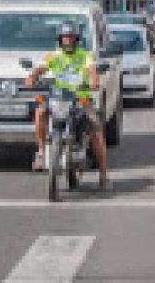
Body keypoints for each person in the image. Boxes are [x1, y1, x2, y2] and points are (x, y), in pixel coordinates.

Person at [24, 22, 110, 190]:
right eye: (65, 38)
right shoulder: (54, 56)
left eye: (71, 37)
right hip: (59, 98)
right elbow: (40, 69)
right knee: (40, 110)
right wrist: (32, 77)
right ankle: (41, 152)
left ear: (77, 39)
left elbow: (92, 71)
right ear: (60, 39)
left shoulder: (85, 56)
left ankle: (103, 175)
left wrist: (94, 82)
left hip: (80, 99)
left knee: (96, 133)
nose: (68, 41)